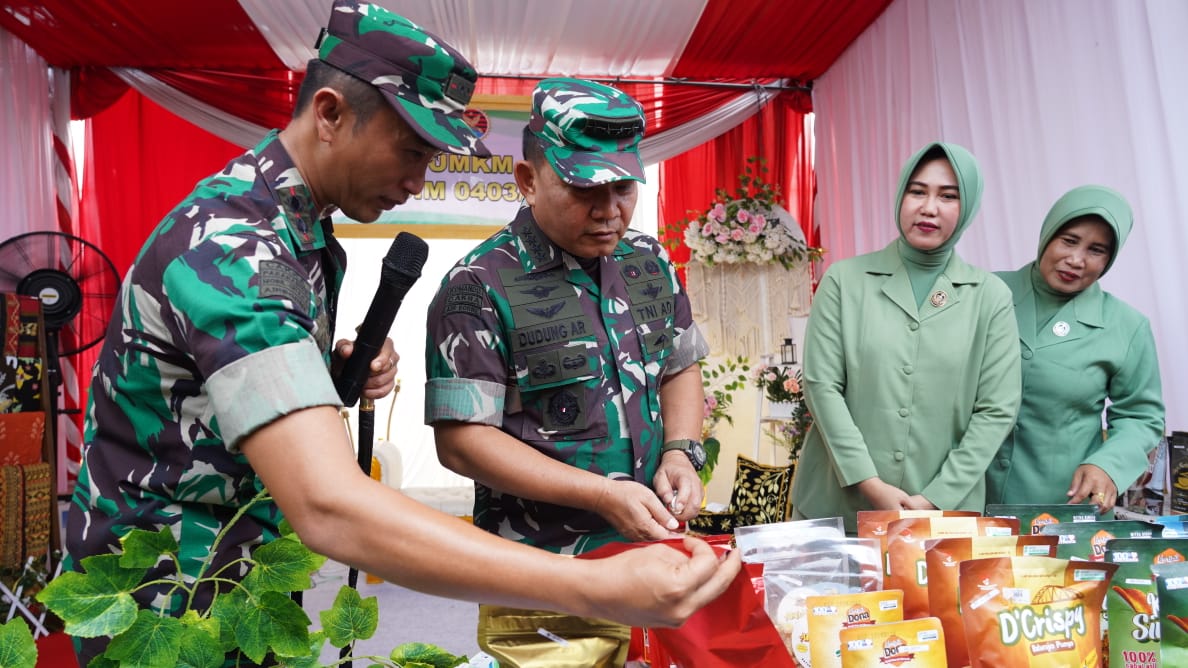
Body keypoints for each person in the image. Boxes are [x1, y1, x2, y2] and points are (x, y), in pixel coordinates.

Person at [64, 4, 739, 664]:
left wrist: (321, 372)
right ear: (329, 114)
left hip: (245, 573)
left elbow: (207, 392)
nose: (417, 182)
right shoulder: (238, 246)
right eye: (412, 150)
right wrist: (592, 587)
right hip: (167, 599)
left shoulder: (298, 233)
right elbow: (330, 504)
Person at [424, 78, 711, 663]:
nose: (610, 211)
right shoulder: (477, 286)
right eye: (586, 190)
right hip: (539, 572)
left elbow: (680, 366)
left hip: (651, 557)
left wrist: (681, 450)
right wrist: (603, 495)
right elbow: (462, 443)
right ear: (528, 181)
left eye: (624, 188)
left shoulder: (649, 261)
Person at [789, 141, 1022, 534]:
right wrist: (869, 482)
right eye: (918, 191)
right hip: (836, 504)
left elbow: (997, 408)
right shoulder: (845, 281)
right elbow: (821, 386)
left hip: (943, 517)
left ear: (968, 208)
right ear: (900, 195)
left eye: (948, 196)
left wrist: (935, 497)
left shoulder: (990, 296)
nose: (929, 207)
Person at [985, 185, 1164, 513]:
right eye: (1068, 240)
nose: (1076, 260)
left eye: (1096, 250)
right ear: (1048, 235)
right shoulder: (986, 293)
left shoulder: (1125, 325)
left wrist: (1108, 465)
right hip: (965, 500)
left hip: (1059, 508)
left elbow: (1141, 415)